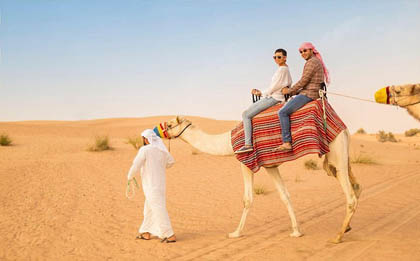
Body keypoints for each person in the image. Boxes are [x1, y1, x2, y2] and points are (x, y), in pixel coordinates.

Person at [273, 42, 330, 152]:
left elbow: (303, 81)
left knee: (282, 112)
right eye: (301, 52)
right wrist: (294, 92)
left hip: (309, 94)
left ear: (311, 50)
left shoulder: (311, 62)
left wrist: (289, 91)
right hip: (309, 91)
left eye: (305, 50)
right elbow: (306, 83)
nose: (303, 53)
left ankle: (286, 142)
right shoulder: (314, 61)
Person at [235, 48, 292, 154]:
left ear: (285, 58)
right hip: (273, 96)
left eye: (279, 57)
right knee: (248, 111)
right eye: (274, 57)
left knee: (246, 115)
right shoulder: (284, 69)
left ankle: (248, 144)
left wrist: (261, 93)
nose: (276, 59)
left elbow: (274, 87)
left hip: (275, 98)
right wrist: (262, 92)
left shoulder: (282, 70)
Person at [127, 129, 176, 243]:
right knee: (148, 208)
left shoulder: (145, 150)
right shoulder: (161, 151)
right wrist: (160, 163)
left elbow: (136, 164)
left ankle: (169, 234)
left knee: (158, 209)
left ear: (145, 139)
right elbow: (171, 162)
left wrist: (129, 176)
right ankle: (146, 232)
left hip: (151, 185)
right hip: (160, 185)